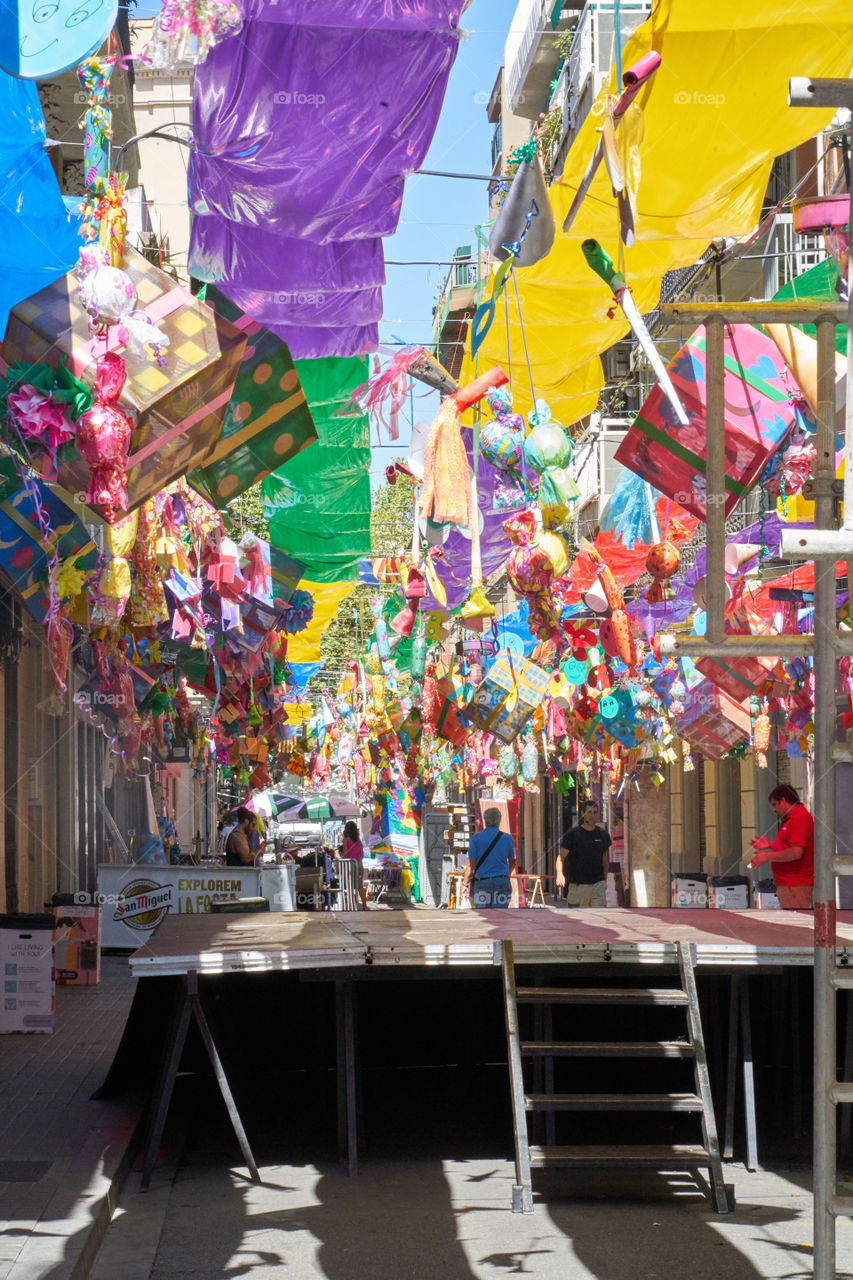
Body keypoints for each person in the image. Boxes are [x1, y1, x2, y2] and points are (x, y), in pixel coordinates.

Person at [747, 783, 814, 908]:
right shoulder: (791, 818)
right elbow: (790, 844)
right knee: (790, 923)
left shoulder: (799, 817)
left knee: (794, 923)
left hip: (795, 883)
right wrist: (771, 844)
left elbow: (796, 852)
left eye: (774, 805)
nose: (774, 809)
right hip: (788, 883)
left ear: (783, 800)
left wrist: (766, 857)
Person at [556, 799, 611, 908]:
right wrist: (559, 874)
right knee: (577, 922)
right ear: (583, 814)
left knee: (598, 919)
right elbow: (560, 858)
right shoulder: (573, 835)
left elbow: (605, 859)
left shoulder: (603, 835)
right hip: (577, 886)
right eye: (589, 812)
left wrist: (604, 880)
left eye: (595, 812)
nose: (592, 816)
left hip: (597, 885)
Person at [463, 808, 517, 909]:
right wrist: (507, 875)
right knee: (500, 915)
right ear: (499, 820)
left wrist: (465, 883)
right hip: (501, 881)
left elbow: (470, 865)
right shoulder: (508, 838)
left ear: (485, 820)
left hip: (482, 882)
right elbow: (513, 862)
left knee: (483, 914)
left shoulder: (476, 838)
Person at [341, 820, 367, 910]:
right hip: (359, 864)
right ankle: (364, 905)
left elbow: (345, 853)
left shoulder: (346, 840)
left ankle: (351, 906)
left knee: (349, 886)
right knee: (360, 886)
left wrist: (340, 855)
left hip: (350, 865)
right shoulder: (358, 841)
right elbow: (362, 854)